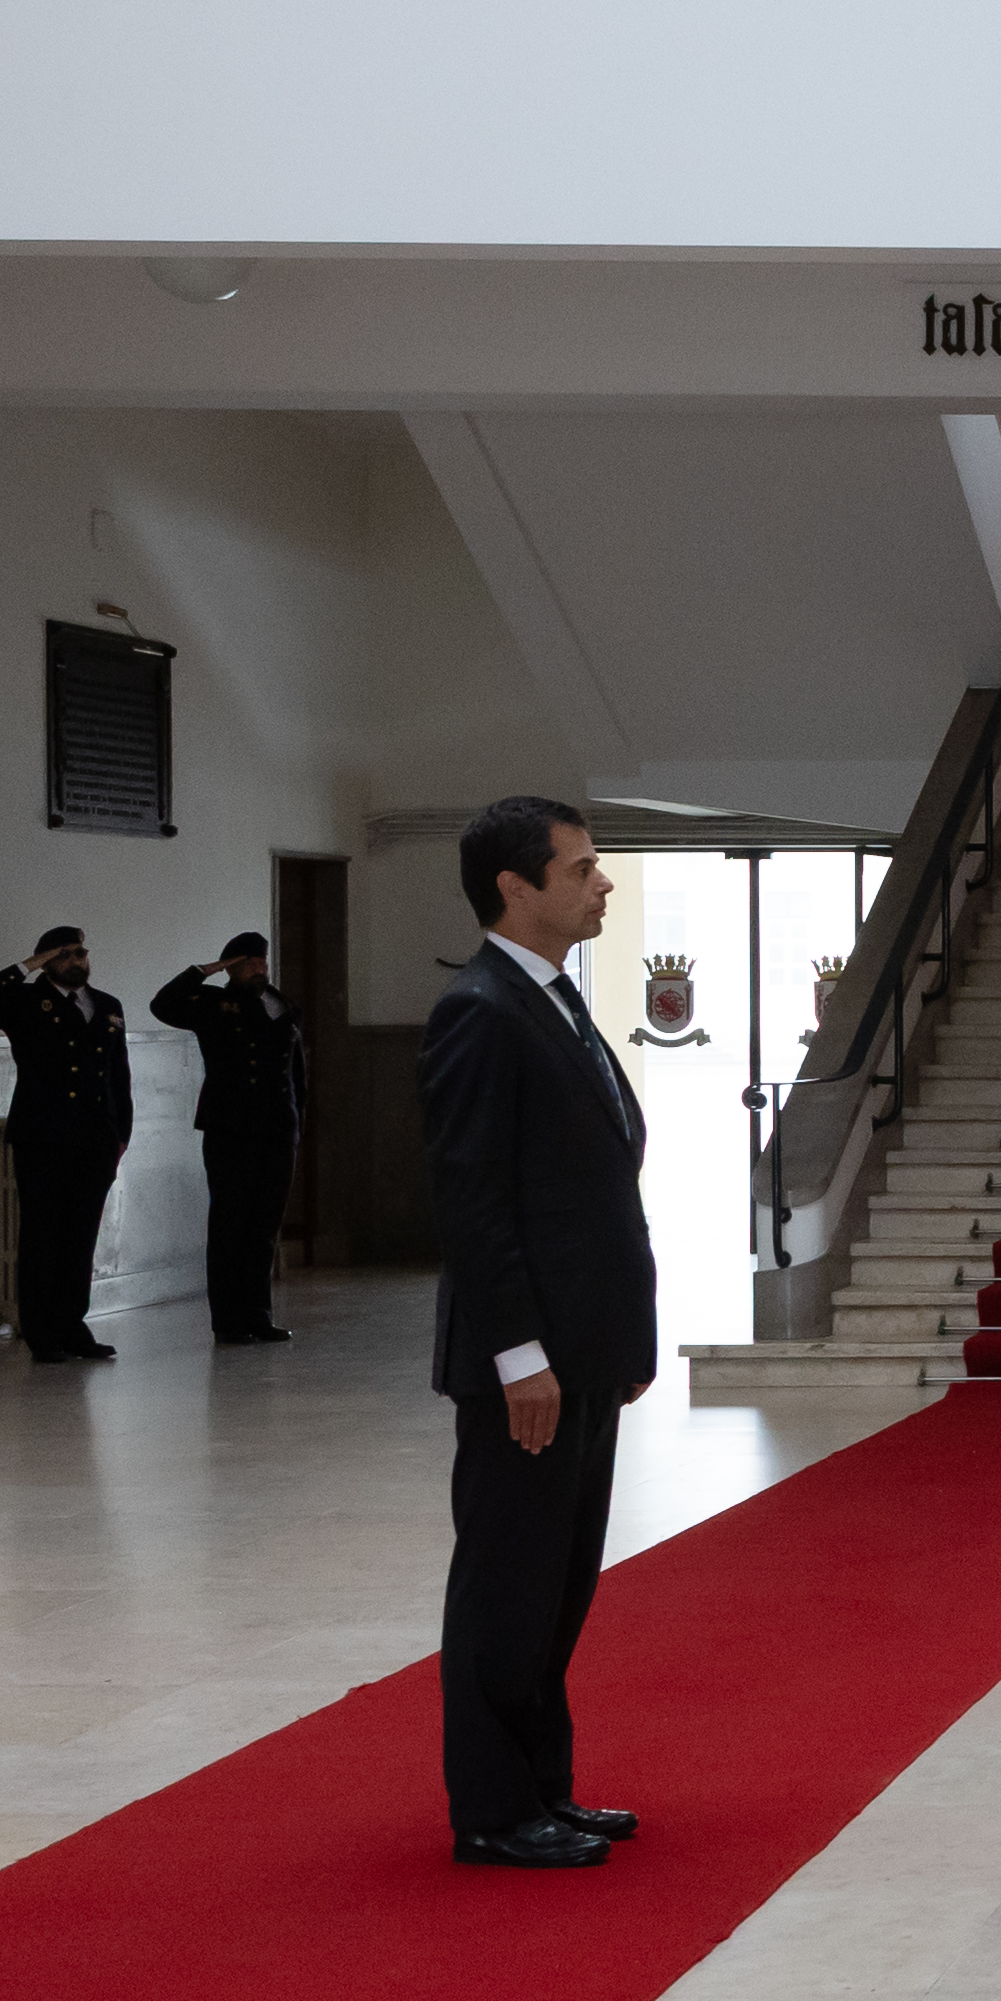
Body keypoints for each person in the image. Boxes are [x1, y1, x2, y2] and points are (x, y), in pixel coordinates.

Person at [421, 798, 659, 1871]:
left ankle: (541, 1791)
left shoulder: (554, 1000)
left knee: (559, 1582)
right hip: (531, 1365)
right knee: (508, 1583)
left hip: (580, 1356)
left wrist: (609, 1347)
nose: (601, 883)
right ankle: (492, 1810)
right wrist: (521, 1355)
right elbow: (474, 1201)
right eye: (583, 868)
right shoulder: (482, 1009)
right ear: (517, 888)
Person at [0, 927, 134, 1364]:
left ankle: (72, 1324)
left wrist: (121, 1135)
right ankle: (41, 1331)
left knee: (80, 1237)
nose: (77, 960)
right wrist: (27, 967)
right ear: (46, 959)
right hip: (44, 1137)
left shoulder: (107, 1006)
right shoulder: (24, 1000)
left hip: (95, 1139)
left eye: (81, 952)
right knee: (42, 1236)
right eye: (66, 954)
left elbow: (119, 1076)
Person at [151, 931, 308, 1343]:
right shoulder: (210, 1004)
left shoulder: (280, 1004)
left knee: (263, 1227)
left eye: (262, 961)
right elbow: (162, 1005)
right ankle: (228, 1320)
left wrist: (296, 1126)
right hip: (231, 1129)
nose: (260, 968)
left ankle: (258, 1313)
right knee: (230, 1226)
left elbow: (297, 1074)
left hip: (277, 1129)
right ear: (231, 967)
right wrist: (204, 971)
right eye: (250, 962)